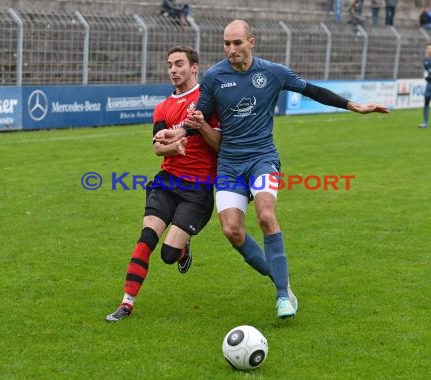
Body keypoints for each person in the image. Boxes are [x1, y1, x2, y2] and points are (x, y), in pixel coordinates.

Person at [156, 20, 388, 319]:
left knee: (266, 215)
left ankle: (281, 296)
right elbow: (199, 119)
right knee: (232, 230)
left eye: (237, 43)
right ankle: (282, 281)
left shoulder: (272, 72)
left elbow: (312, 90)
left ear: (251, 42)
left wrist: (355, 106)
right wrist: (179, 134)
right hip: (229, 163)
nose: (231, 49)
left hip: (262, 158)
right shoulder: (214, 77)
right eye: (226, 43)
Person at [105, 46, 221, 322]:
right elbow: (157, 148)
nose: (173, 69)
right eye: (170, 64)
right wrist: (174, 147)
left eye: (179, 64)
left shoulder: (209, 100)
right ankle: (126, 303)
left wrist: (196, 132)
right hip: (167, 181)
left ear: (194, 67)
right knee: (147, 237)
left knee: (168, 254)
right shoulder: (163, 108)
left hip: (198, 188)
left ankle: (182, 247)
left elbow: (218, 143)